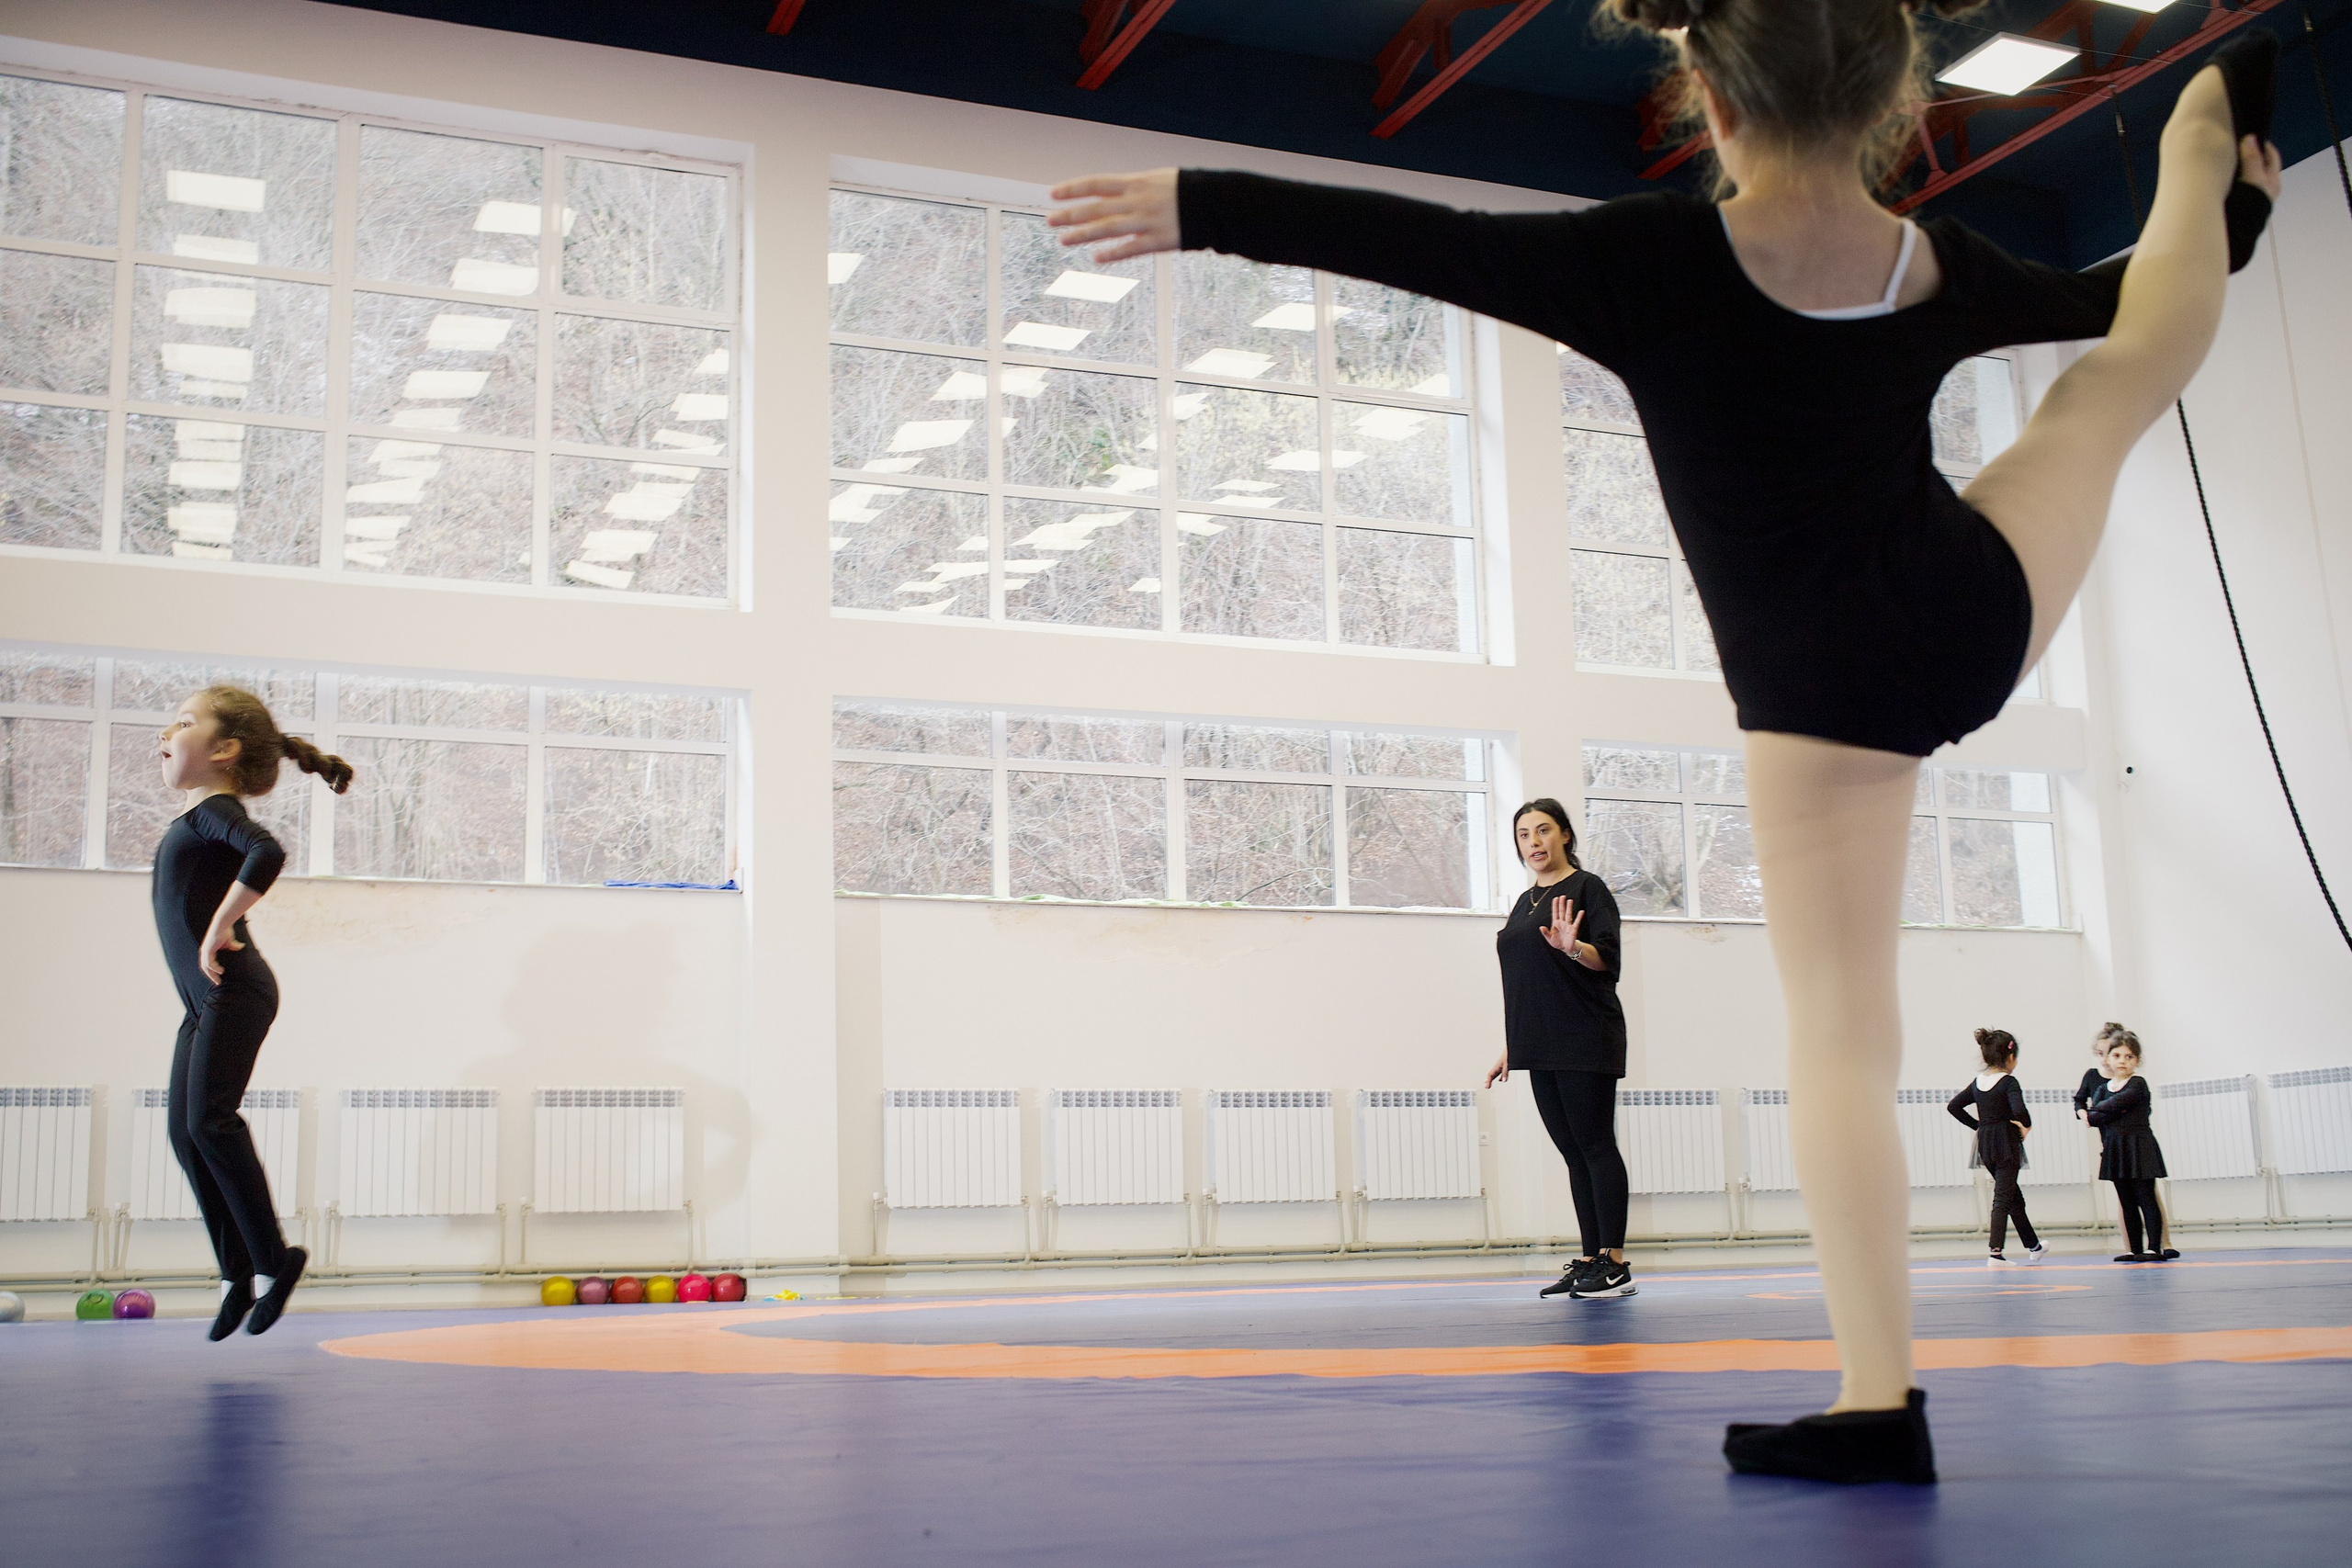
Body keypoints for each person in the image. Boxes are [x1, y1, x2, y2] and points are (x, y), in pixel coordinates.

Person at [1046, 0, 2280, 1484]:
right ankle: (2217, 135)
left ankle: (1881, 1398)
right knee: (2119, 377)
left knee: (1842, 1032)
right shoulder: (1935, 263)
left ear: (1704, 87)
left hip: (1821, 700)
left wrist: (1193, 206)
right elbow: (2114, 303)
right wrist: (2228, 218)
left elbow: (1410, 240)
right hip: (1969, 612)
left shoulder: (1644, 263)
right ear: (1891, 98)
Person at [153, 685, 352, 1337]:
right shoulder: (193, 819)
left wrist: (220, 925)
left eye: (183, 722)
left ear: (223, 748)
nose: (165, 732)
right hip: (204, 999)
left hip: (235, 988)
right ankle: (235, 1270)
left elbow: (266, 850)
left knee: (211, 1121)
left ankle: (275, 1260)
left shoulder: (215, 809)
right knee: (185, 1133)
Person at [1483, 800, 1634, 1302]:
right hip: (1540, 1043)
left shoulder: (1587, 888)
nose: (1534, 842)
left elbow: (1606, 960)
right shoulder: (1526, 900)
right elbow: (1529, 980)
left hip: (1585, 1035)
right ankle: (1591, 1258)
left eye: (1544, 830)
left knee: (1595, 1145)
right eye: (1524, 834)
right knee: (1573, 1152)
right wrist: (1514, 1044)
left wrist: (1574, 946)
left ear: (1565, 835)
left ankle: (1613, 1263)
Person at [2077, 1021, 2175, 1258]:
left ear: (2137, 1061)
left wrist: (2099, 1111)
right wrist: (2102, 1113)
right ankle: (2134, 1249)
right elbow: (2098, 1116)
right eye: (2117, 1055)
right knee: (2126, 1200)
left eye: (2129, 1056)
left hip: (2138, 1145)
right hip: (2115, 1147)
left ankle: (2154, 1247)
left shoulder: (2138, 1084)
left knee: (2146, 1197)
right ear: (2108, 1059)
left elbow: (2112, 1105)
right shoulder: (2102, 1088)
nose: (2122, 1061)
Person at [1947, 1028, 2043, 1266]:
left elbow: (1954, 1106)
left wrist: (1979, 1126)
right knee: (2002, 1198)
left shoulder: (1978, 1083)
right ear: (2010, 1058)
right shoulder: (2009, 1082)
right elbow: (2019, 1110)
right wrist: (2026, 1125)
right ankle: (1995, 1252)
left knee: (2011, 1196)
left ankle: (2034, 1246)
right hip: (2006, 1142)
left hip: (1985, 1144)